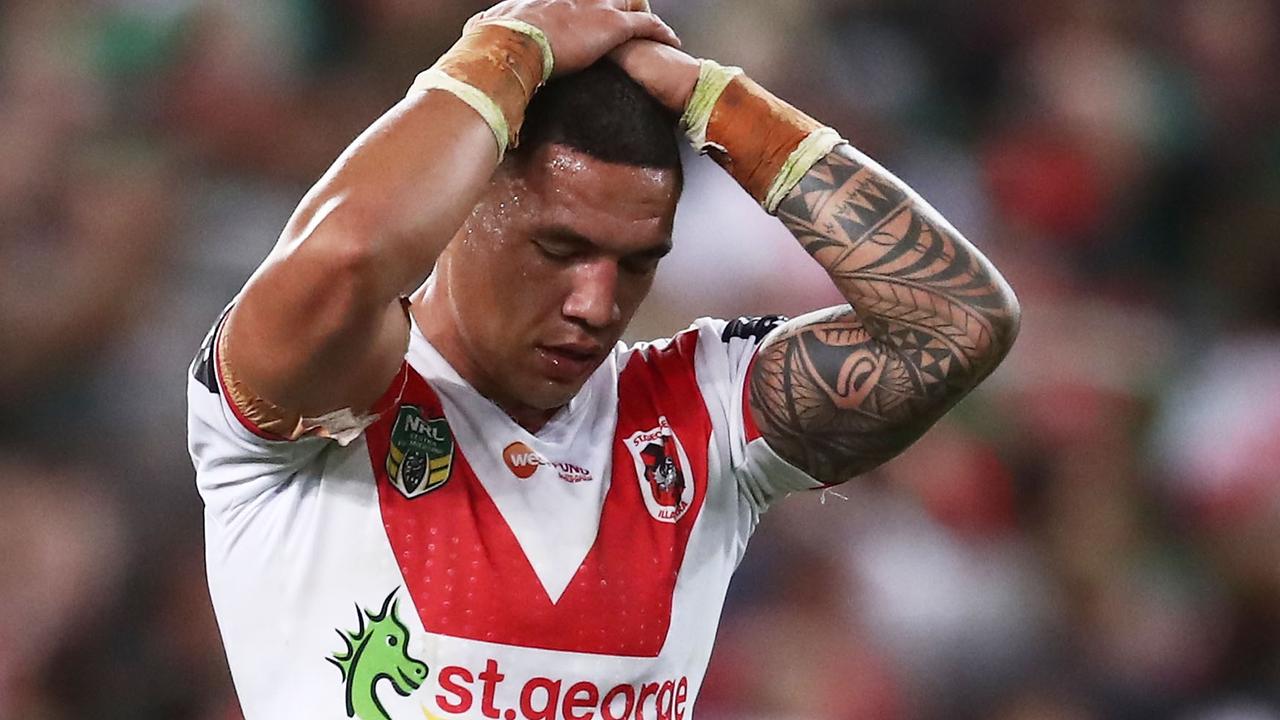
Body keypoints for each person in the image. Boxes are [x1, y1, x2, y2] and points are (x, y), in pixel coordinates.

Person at [186, 1, 1020, 718]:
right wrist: (507, 49)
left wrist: (716, 101)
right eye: (560, 247)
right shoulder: (329, 397)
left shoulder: (703, 413)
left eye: (636, 263)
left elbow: (959, 324)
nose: (596, 303)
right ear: (462, 203)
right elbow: (344, 261)